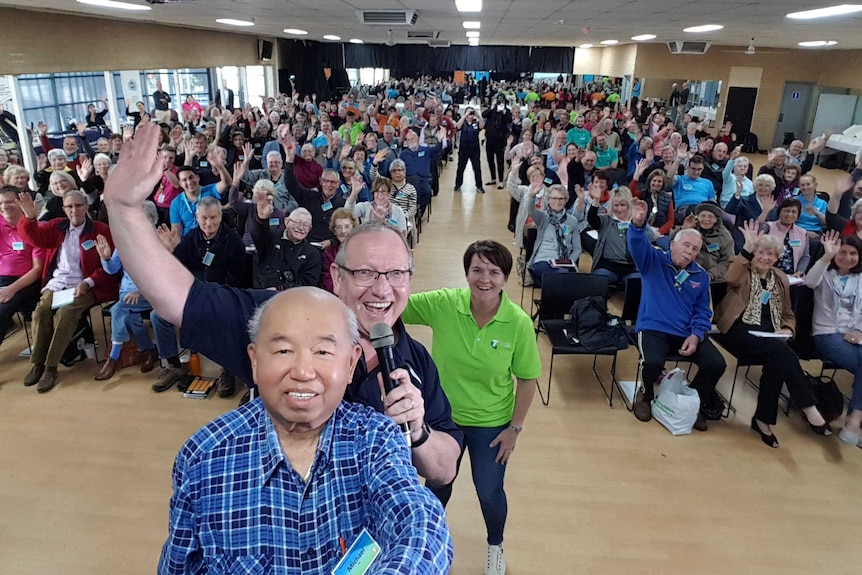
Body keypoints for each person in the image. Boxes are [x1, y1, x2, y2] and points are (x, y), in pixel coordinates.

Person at [102, 121, 461, 487]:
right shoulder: (281, 320)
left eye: (397, 273)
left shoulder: (414, 363)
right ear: (337, 277)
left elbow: (446, 468)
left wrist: (419, 433)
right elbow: (180, 299)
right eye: (366, 273)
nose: (383, 289)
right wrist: (124, 210)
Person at [157, 287, 453, 574]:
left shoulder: (377, 440)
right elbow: (180, 563)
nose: (303, 371)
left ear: (351, 364)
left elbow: (420, 523)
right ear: (255, 360)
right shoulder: (203, 458)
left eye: (323, 351)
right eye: (284, 350)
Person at [402, 240, 541, 575]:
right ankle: (427, 541)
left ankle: (496, 545)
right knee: (436, 485)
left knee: (489, 490)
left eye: (494, 271)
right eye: (477, 269)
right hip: (441, 419)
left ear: (505, 277)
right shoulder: (445, 304)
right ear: (466, 273)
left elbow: (527, 379)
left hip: (492, 423)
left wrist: (515, 430)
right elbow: (395, 306)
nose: (485, 278)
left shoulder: (518, 323)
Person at [714, 221, 833, 447]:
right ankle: (808, 406)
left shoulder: (779, 278)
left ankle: (762, 420)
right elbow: (731, 278)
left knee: (778, 358)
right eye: (761, 252)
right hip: (740, 329)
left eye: (771, 254)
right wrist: (747, 248)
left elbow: (788, 313)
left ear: (776, 258)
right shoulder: (740, 266)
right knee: (781, 352)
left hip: (771, 336)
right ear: (754, 253)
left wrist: (788, 329)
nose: (765, 258)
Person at [628, 198, 726, 429]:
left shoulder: (700, 276)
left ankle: (691, 399)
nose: (690, 251)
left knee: (717, 364)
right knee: (652, 361)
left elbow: (703, 311)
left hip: (685, 332)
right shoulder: (653, 261)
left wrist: (697, 334)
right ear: (673, 244)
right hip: (653, 327)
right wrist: (638, 224)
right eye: (686, 246)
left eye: (695, 249)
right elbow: (636, 244)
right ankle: (645, 393)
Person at [15, 189, 119, 393]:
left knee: (65, 314)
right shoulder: (56, 227)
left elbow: (109, 266)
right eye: (69, 206)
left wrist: (88, 282)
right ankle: (38, 363)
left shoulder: (100, 230)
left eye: (78, 205)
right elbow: (34, 237)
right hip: (57, 284)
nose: (74, 210)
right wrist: (29, 217)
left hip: (86, 286)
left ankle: (51, 367)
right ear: (63, 209)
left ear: (86, 207)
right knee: (40, 312)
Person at [804, 232, 862, 446]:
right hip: (827, 334)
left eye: (853, 253)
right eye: (842, 252)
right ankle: (855, 420)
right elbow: (809, 282)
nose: (847, 257)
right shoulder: (825, 274)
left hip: (856, 335)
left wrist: (859, 331)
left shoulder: (861, 278)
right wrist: (826, 257)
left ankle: (855, 419)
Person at [91, 202, 160, 381]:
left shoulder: (159, 240)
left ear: (152, 220)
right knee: (129, 316)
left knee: (118, 310)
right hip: (127, 292)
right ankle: (150, 351)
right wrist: (105, 257)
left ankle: (113, 357)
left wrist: (140, 290)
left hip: (151, 291)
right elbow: (113, 269)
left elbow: (160, 274)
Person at [0, 186, 44, 350]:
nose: (4, 206)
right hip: (2, 280)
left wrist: (11, 289)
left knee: (2, 310)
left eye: (10, 202)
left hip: (25, 282)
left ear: (21, 203)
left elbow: (37, 269)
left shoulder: (33, 229)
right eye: (1, 203)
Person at [672, 202, 734, 303]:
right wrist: (684, 228)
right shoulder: (690, 227)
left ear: (716, 219)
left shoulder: (725, 237)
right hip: (687, 271)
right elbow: (672, 243)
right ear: (697, 217)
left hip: (713, 277)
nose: (706, 219)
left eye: (710, 216)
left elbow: (726, 261)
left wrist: (710, 275)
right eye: (703, 216)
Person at [587, 184, 648, 286]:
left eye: (622, 205)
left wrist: (638, 222)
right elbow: (592, 219)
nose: (619, 209)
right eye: (616, 205)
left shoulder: (637, 222)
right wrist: (596, 199)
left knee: (637, 283)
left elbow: (648, 239)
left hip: (631, 267)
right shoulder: (606, 220)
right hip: (608, 265)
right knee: (598, 280)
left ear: (629, 205)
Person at [526, 184, 583, 286]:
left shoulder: (572, 221)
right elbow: (531, 210)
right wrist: (532, 196)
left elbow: (577, 248)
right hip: (543, 260)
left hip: (564, 261)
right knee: (559, 276)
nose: (558, 201)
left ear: (566, 201)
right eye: (554, 198)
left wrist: (569, 262)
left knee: (574, 279)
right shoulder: (543, 217)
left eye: (561, 198)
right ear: (548, 200)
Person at [726, 174, 778, 251]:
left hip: (765, 242)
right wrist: (737, 193)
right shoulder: (744, 200)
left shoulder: (775, 205)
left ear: (771, 188)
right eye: (760, 185)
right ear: (755, 187)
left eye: (767, 185)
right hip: (743, 240)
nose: (763, 188)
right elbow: (729, 210)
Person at [764, 198, 809, 277]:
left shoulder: (803, 233)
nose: (790, 214)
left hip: (793, 276)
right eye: (786, 211)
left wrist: (799, 271)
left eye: (794, 212)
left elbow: (805, 256)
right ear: (779, 212)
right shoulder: (768, 227)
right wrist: (765, 212)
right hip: (768, 274)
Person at [321, 207, 357, 293]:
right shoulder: (329, 253)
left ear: (354, 228)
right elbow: (327, 280)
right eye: (339, 227)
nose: (343, 231)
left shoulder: (362, 251)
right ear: (334, 231)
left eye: (347, 227)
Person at [454, 105, 485, 192]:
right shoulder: (462, 122)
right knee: (461, 167)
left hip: (474, 149)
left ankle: (479, 186)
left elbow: (482, 126)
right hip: (463, 148)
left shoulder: (476, 122)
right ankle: (458, 185)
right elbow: (458, 126)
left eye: (471, 112)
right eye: (468, 112)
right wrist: (464, 116)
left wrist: (479, 117)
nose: (470, 114)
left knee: (477, 168)